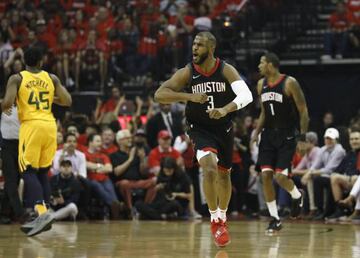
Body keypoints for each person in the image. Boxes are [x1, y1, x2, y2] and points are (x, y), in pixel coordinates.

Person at [155, 31, 253, 247]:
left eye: (199, 45)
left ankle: (223, 216)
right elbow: (160, 94)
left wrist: (225, 109)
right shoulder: (187, 72)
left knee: (224, 174)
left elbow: (247, 96)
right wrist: (189, 96)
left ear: (211, 48)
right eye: (194, 44)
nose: (194, 48)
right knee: (208, 167)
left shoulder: (226, 70)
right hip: (198, 128)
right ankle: (214, 218)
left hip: (223, 127)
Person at [1, 47, 72, 236]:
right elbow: (67, 101)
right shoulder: (52, 78)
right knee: (42, 172)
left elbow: (7, 104)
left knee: (27, 171)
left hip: (31, 127)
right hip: (49, 125)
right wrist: (50, 98)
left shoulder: (17, 78)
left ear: (24, 61)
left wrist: (3, 103)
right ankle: (43, 212)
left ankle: (43, 213)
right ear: (41, 61)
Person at [251, 52, 309, 233]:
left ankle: (297, 195)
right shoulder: (261, 85)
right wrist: (256, 132)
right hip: (268, 135)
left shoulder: (289, 82)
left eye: (261, 63)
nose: (259, 66)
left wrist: (302, 138)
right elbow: (263, 113)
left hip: (287, 135)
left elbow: (303, 111)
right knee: (265, 175)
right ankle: (274, 218)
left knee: (280, 177)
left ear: (270, 64)